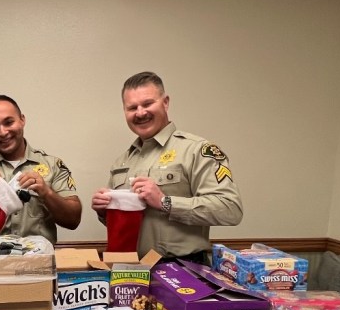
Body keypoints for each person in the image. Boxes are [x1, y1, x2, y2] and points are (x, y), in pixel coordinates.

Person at [91, 72, 242, 263]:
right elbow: (127, 225)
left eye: (147, 104)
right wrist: (105, 211)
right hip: (129, 269)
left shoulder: (197, 150)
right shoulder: (123, 162)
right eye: (132, 107)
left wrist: (165, 202)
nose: (140, 113)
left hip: (184, 269)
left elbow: (230, 209)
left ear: (166, 102)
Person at [0, 95, 81, 243]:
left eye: (9, 122)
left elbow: (73, 220)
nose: (3, 132)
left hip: (38, 261)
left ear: (22, 120)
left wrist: (46, 192)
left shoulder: (53, 165)